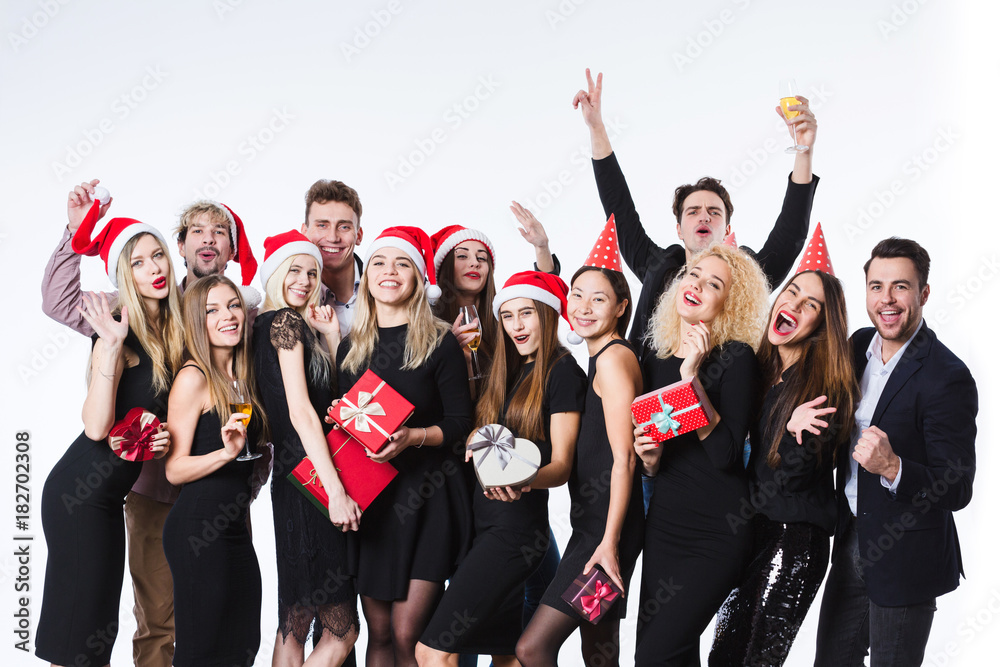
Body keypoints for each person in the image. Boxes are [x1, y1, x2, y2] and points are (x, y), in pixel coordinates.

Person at [40, 179, 257, 667]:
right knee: (156, 619)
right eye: (195, 231)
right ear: (179, 246)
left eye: (219, 231)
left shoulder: (237, 316)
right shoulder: (132, 311)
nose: (206, 239)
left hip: (217, 486)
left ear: (232, 247)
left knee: (222, 619)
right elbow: (58, 303)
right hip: (151, 490)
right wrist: (75, 234)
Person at [814, 238, 978, 667]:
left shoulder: (947, 376)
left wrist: (894, 467)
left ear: (923, 293)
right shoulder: (856, 347)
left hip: (905, 556)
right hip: (850, 540)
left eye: (900, 287)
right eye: (876, 286)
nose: (886, 299)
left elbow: (957, 487)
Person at [572, 68, 819, 352]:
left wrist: (804, 150)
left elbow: (790, 236)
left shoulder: (746, 276)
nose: (704, 216)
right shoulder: (658, 267)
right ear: (678, 229)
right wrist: (596, 129)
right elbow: (619, 209)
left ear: (727, 230)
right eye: (692, 212)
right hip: (646, 393)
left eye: (714, 212)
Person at [417, 271, 587, 667]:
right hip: (486, 528)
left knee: (431, 651)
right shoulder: (509, 372)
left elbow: (561, 466)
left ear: (546, 314)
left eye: (526, 313)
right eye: (508, 316)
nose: (517, 325)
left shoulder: (562, 372)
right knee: (506, 655)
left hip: (514, 535)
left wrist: (523, 479)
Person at [36, 207, 181, 666]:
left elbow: (145, 420)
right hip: (78, 495)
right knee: (81, 630)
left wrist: (162, 438)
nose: (153, 268)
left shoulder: (174, 331)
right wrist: (112, 344)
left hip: (110, 494)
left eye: (157, 255)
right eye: (138, 262)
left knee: (99, 625)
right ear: (124, 274)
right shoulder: (115, 328)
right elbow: (97, 427)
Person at [709, 232, 858, 666]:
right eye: (791, 292)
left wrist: (788, 431)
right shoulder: (763, 376)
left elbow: (785, 479)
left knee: (758, 659)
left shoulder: (822, 390)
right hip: (754, 535)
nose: (792, 304)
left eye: (809, 304)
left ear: (821, 325)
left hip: (793, 541)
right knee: (724, 655)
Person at [331, 226, 473, 667]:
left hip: (427, 499)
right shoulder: (351, 347)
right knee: (379, 635)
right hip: (372, 500)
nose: (388, 272)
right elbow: (344, 428)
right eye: (378, 262)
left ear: (417, 277)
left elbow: (460, 422)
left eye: (401, 263)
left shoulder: (440, 340)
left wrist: (414, 437)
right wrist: (337, 414)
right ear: (366, 275)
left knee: (409, 633)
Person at [631, 243, 770, 666]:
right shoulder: (652, 359)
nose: (697, 286)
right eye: (693, 275)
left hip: (717, 530)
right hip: (665, 524)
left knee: (656, 656)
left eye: (714, 284)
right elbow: (657, 457)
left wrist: (691, 377)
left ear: (729, 303)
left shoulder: (736, 358)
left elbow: (726, 454)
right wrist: (650, 461)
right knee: (663, 656)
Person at [517, 265, 644, 667]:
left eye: (599, 299)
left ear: (621, 307)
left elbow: (625, 458)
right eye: (577, 294)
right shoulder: (600, 357)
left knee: (532, 648)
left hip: (605, 535)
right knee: (600, 649)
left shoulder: (611, 360)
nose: (584, 307)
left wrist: (609, 543)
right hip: (595, 527)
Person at [253, 231, 360, 665]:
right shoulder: (285, 322)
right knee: (341, 630)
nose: (304, 279)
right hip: (312, 480)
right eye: (294, 269)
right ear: (276, 273)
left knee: (295, 621)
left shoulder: (266, 325)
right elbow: (301, 412)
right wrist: (335, 491)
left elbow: (325, 401)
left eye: (312, 272)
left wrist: (331, 339)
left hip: (291, 479)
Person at [163, 275, 265, 666]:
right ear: (196, 321)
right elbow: (174, 469)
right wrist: (225, 455)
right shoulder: (194, 378)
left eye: (233, 305)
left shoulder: (241, 377)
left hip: (235, 530)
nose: (228, 316)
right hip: (197, 532)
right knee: (201, 652)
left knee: (242, 647)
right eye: (212, 309)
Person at [299, 179, 365, 338]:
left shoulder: (383, 289)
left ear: (359, 235)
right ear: (304, 232)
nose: (333, 237)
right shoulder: (292, 293)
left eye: (344, 227)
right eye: (322, 225)